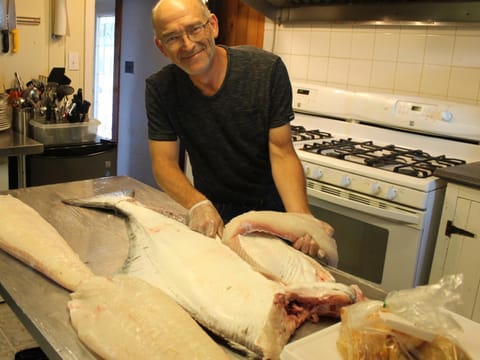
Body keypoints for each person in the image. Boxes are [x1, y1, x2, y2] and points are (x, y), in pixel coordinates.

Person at [146, 0, 319, 256]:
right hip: (213, 212)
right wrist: (197, 204)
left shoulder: (265, 71)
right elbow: (164, 164)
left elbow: (282, 151)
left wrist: (300, 218)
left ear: (213, 26)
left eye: (195, 29)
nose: (188, 44)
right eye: (172, 37)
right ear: (161, 47)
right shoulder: (160, 88)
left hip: (274, 215)